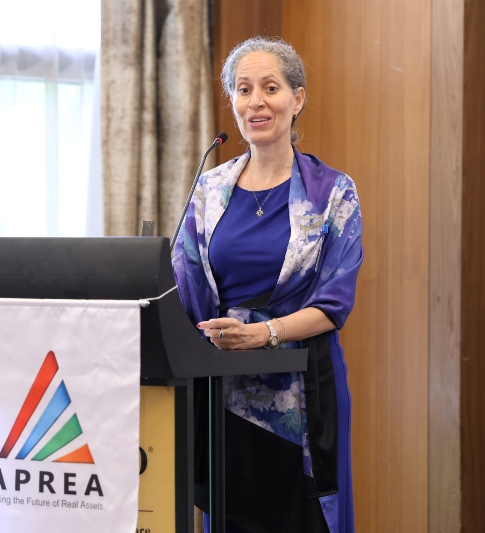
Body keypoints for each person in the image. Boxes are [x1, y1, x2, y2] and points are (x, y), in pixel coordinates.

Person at [171, 36, 363, 533]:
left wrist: (264, 333)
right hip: (222, 390)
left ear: (297, 99)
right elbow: (181, 287)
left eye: (270, 88)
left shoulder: (333, 192)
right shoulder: (209, 190)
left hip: (301, 391)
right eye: (243, 89)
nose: (256, 101)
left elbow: (334, 302)